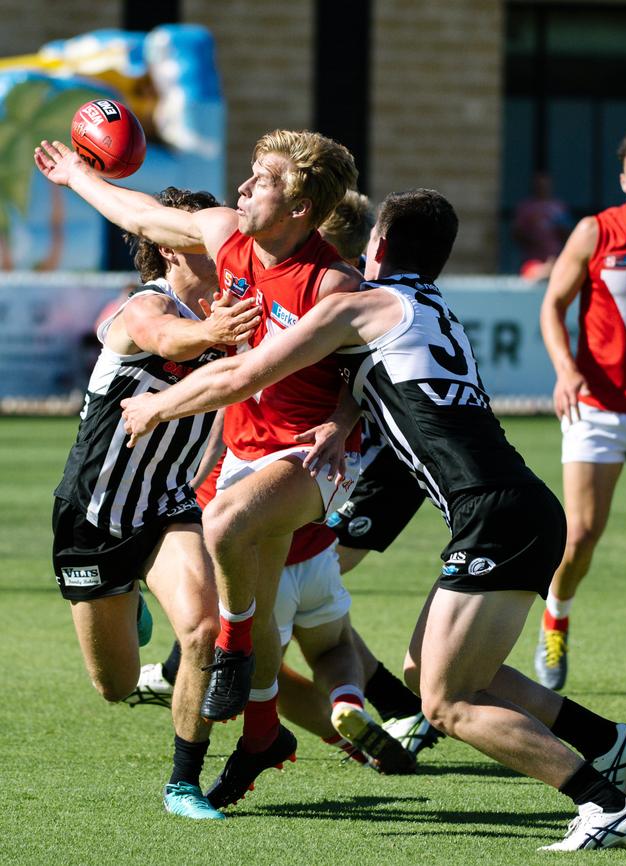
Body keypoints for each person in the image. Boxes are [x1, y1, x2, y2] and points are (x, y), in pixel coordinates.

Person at [120, 188, 626, 849]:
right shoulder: (428, 304)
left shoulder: (358, 306)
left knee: (447, 704)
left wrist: (156, 409)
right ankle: (611, 742)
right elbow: (376, 381)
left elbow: (246, 374)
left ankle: (604, 805)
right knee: (426, 672)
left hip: (494, 515)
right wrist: (344, 420)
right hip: (511, 505)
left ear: (376, 249)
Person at [35, 129, 363, 794]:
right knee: (116, 685)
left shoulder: (332, 285)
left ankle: (208, 720)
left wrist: (340, 418)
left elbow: (363, 370)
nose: (240, 190)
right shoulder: (212, 248)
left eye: (259, 181)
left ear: (298, 207)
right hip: (136, 497)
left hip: (287, 465)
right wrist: (75, 176)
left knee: (224, 553)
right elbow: (142, 223)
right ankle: (264, 729)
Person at [48, 185, 261, 821]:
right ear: (168, 251)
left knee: (200, 627)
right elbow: (167, 340)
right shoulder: (142, 307)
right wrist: (214, 332)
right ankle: (127, 602)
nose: (216, 250)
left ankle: (183, 783)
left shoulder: (233, 311)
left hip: (168, 508)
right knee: (114, 686)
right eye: (195, 241)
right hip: (93, 519)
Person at [534, 126, 626, 692]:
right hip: (597, 409)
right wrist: (566, 370)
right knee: (579, 536)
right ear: (624, 179)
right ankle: (556, 615)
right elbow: (553, 306)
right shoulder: (594, 231)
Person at [512, 172, 572, 280]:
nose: (542, 188)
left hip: (554, 257)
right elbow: (517, 233)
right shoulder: (526, 207)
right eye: (539, 185)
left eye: (545, 185)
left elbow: (568, 234)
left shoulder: (558, 207)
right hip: (531, 260)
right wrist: (533, 240)